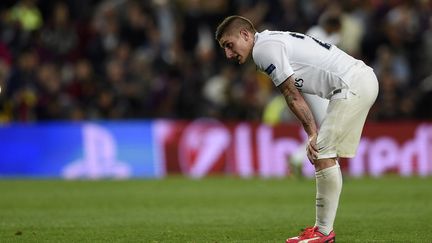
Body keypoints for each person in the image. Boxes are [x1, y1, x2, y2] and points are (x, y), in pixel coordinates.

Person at [215, 15, 378, 243]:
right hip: (356, 81)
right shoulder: (270, 42)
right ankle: (322, 230)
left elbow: (292, 95)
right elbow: (303, 91)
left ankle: (323, 232)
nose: (228, 54)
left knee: (323, 154)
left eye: (229, 45)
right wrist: (314, 131)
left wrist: (312, 133)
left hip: (352, 84)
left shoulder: (263, 50)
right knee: (325, 154)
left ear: (245, 34)